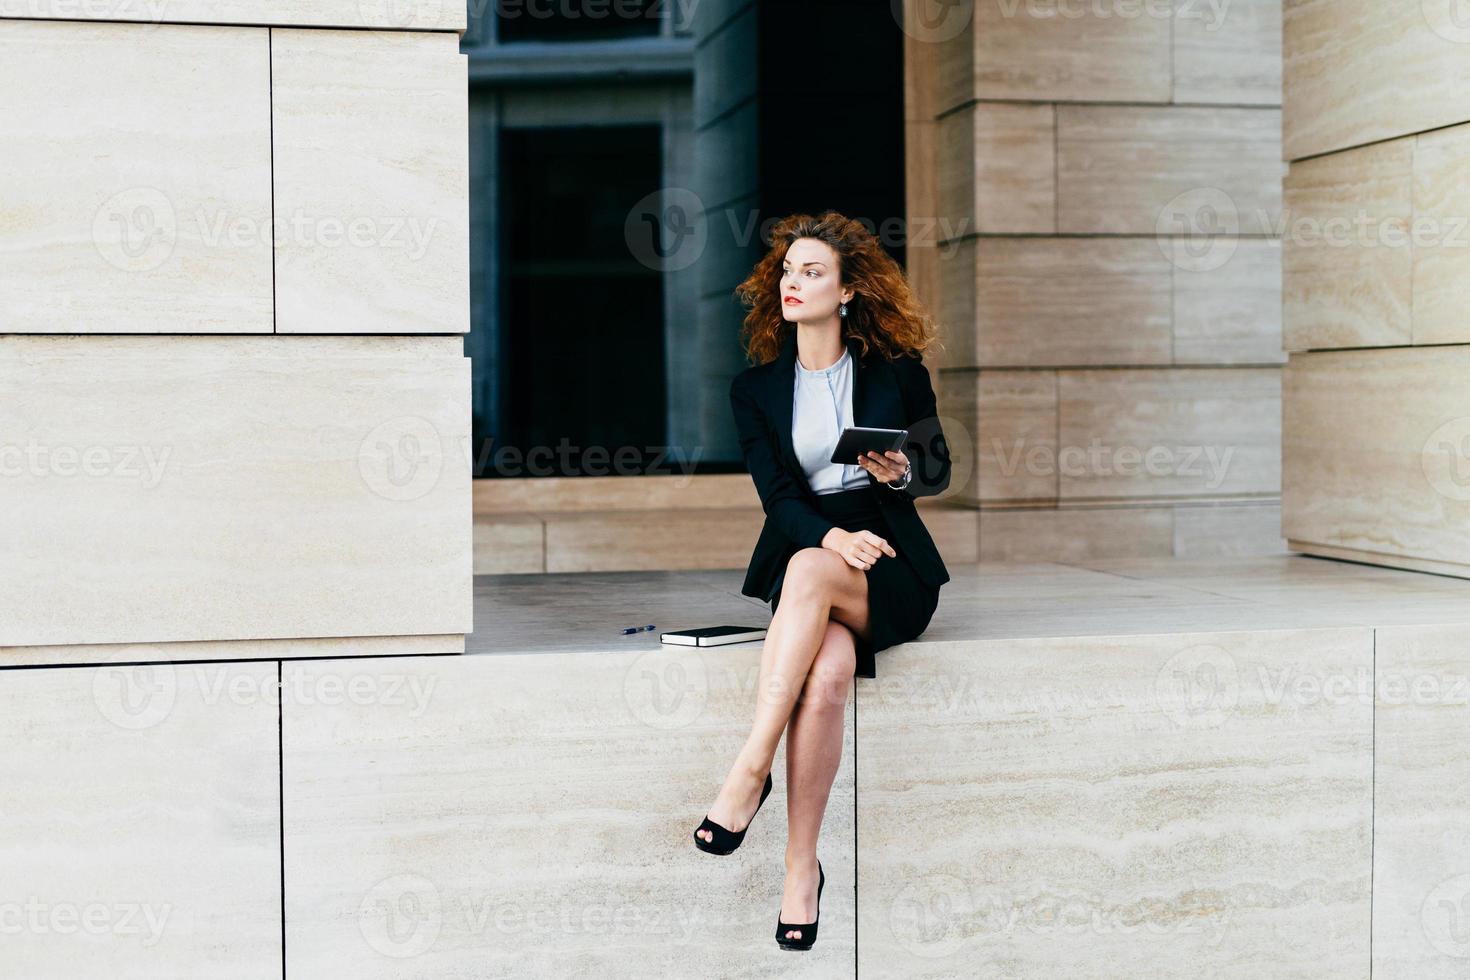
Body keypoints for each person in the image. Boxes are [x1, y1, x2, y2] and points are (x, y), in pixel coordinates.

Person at [691, 211, 952, 950]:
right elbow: (778, 496)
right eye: (787, 271)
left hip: (888, 563)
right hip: (814, 548)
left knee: (812, 573)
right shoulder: (756, 390)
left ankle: (748, 772)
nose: (792, 283)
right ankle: (801, 869)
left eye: (812, 272)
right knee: (828, 669)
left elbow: (938, 470)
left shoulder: (898, 375)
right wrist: (831, 535)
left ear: (846, 292)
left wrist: (901, 472)